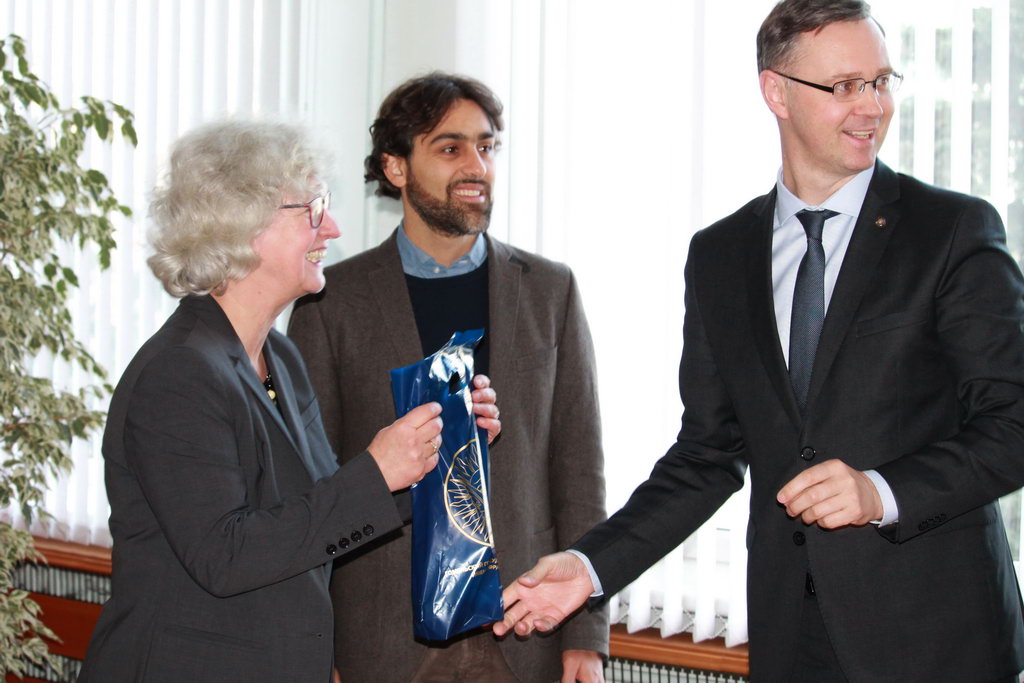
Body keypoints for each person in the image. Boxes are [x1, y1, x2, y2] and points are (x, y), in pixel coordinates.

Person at [494, 2, 1024, 681]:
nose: (872, 106)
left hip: (939, 641)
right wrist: (591, 566)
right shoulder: (720, 255)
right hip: (790, 639)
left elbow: (1012, 425)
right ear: (776, 91)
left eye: (881, 81)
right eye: (845, 86)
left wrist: (880, 491)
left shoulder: (951, 230)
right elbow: (707, 456)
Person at [78, 119, 499, 683]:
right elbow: (226, 556)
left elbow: (314, 514)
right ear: (240, 222)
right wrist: (378, 470)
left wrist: (440, 451)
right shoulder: (179, 372)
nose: (333, 227)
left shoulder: (280, 357)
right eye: (313, 209)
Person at [288, 72, 608, 683]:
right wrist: (318, 649)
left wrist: (585, 637)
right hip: (379, 639)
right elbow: (311, 488)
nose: (476, 167)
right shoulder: (329, 303)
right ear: (396, 167)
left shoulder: (551, 292)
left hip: (525, 627)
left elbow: (579, 471)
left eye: (486, 147)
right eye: (450, 147)